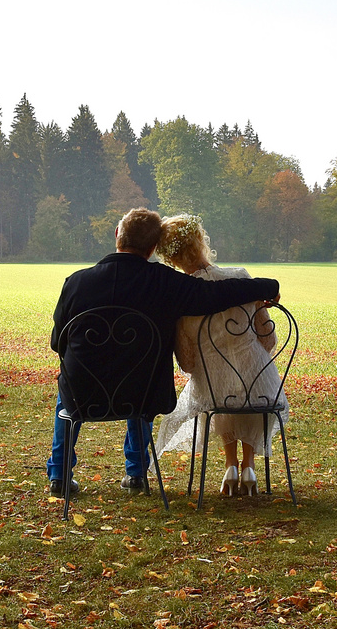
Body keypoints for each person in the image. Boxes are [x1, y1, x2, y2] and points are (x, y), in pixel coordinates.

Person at [48, 207, 279, 497]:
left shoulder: (76, 282)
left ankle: (59, 475)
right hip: (140, 396)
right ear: (154, 248)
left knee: (66, 390)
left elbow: (58, 342)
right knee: (138, 377)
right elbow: (217, 293)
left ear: (117, 235)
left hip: (83, 396)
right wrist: (268, 286)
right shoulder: (163, 281)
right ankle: (135, 474)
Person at [154, 214, 286, 498]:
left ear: (171, 259)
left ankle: (230, 464)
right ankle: (249, 464)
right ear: (201, 241)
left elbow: (188, 362)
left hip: (213, 388)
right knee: (248, 383)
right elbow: (269, 337)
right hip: (260, 382)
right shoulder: (240, 277)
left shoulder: (182, 295)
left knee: (214, 385)